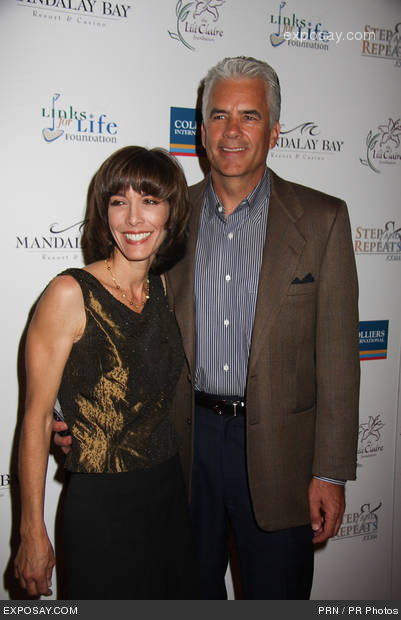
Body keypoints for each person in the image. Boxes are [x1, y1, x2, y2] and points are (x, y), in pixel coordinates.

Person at [55, 56, 360, 600]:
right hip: (182, 448)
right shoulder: (167, 218)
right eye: (219, 115)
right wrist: (68, 409)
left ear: (275, 129)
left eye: (249, 116)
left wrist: (331, 473)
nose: (232, 130)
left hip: (283, 457)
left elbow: (339, 358)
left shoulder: (323, 219)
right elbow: (115, 313)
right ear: (201, 130)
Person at [14, 146, 199, 600]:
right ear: (105, 212)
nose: (134, 218)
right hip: (100, 509)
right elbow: (37, 419)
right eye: (120, 202)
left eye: (149, 201)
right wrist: (31, 531)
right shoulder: (69, 293)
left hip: (169, 498)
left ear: (171, 212)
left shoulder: (166, 287)